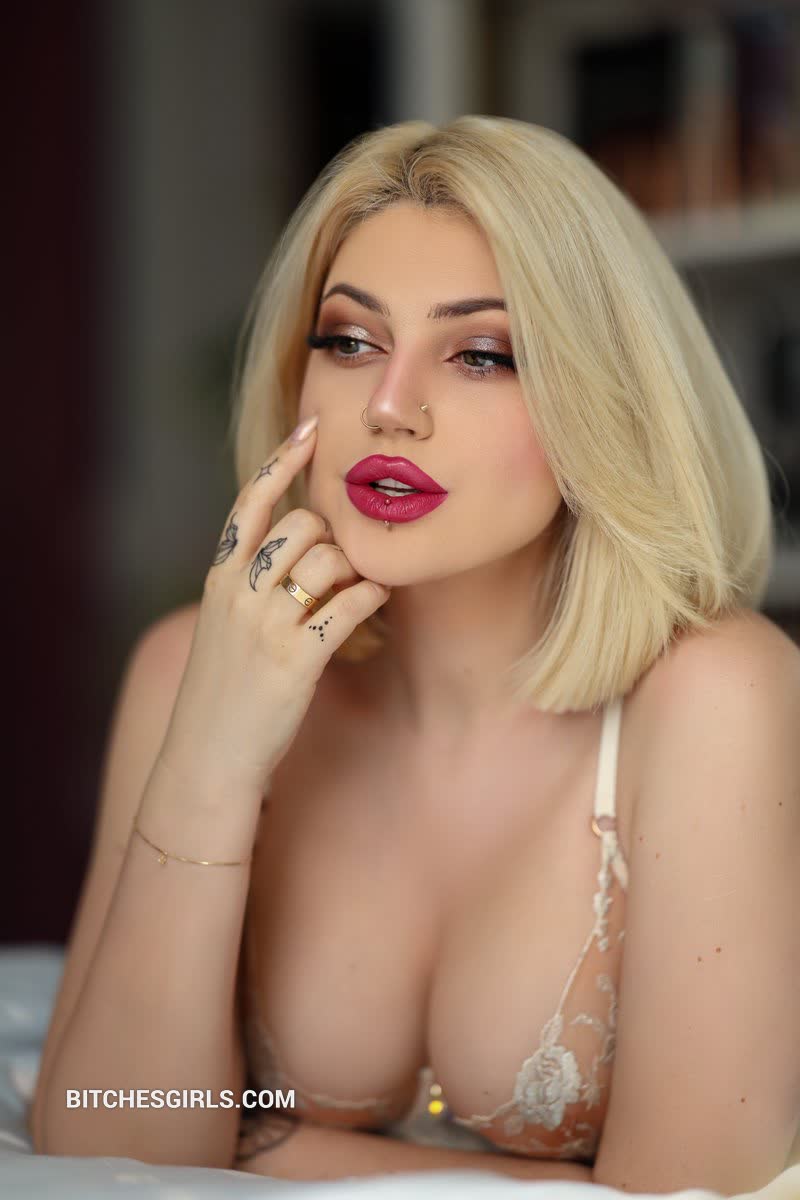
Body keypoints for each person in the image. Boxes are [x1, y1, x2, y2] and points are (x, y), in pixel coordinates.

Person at [29, 116, 800, 1193]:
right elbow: (105, 1143)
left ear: (606, 402)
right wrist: (209, 759)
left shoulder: (718, 695)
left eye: (480, 355)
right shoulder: (186, 670)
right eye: (348, 342)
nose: (388, 407)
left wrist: (254, 1141)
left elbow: (687, 1193)